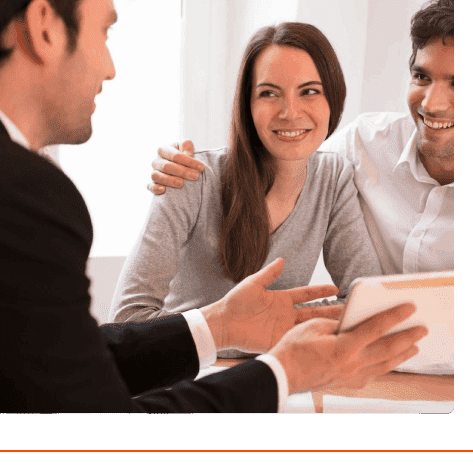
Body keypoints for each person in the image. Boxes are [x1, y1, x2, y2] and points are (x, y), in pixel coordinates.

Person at [0, 0, 426, 414]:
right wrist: (282, 372)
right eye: (104, 30)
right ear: (45, 28)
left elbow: (63, 365)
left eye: (310, 91)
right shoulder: (15, 193)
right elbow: (103, 433)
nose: (110, 66)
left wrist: (218, 326)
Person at [110, 23, 383, 342]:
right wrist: (242, 329)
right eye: (269, 93)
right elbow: (127, 322)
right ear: (247, 105)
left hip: (278, 376)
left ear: (333, 99)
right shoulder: (191, 178)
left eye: (309, 91)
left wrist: (273, 325)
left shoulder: (333, 178)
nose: (290, 112)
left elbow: (365, 304)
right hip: (191, 379)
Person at [148, 0, 454, 276]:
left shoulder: (333, 175)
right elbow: (290, 147)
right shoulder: (362, 145)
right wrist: (177, 165)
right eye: (421, 76)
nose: (432, 104)